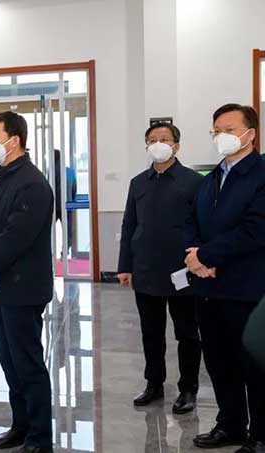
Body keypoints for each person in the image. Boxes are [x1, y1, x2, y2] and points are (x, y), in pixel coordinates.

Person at [0, 111, 54, 453]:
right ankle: (21, 426)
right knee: (10, 364)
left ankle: (40, 438)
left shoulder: (32, 184)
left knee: (28, 366)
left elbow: (14, 239)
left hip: (23, 289)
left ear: (14, 140)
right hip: (0, 288)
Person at [186, 104, 265, 453]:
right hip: (208, 287)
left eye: (229, 130)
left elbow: (255, 229)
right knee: (219, 362)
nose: (222, 136)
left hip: (247, 289)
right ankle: (230, 424)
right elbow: (191, 220)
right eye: (217, 130)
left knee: (254, 366)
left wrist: (206, 255)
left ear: (251, 134)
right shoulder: (212, 177)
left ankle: (260, 435)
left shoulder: (261, 174)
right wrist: (194, 255)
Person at [117, 122, 203, 413]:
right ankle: (154, 384)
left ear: (176, 145)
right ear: (146, 146)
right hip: (146, 270)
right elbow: (129, 224)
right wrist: (125, 266)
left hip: (183, 272)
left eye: (164, 139)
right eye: (152, 139)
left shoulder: (194, 182)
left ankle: (188, 388)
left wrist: (202, 260)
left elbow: (203, 225)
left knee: (187, 333)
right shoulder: (138, 183)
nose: (158, 143)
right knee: (150, 332)